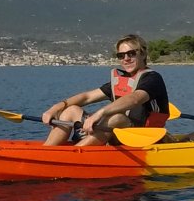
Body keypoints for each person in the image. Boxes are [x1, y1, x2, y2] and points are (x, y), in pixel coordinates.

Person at [41, 34, 170, 146]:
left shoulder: (152, 78)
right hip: (116, 131)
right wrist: (56, 108)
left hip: (141, 136)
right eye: (121, 55)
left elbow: (135, 99)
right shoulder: (121, 81)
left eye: (131, 53)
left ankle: (76, 153)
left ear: (143, 54)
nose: (126, 59)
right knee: (71, 110)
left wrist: (99, 114)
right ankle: (48, 151)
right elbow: (87, 97)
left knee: (116, 118)